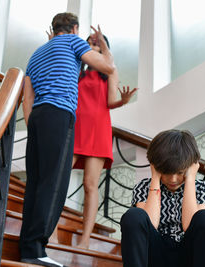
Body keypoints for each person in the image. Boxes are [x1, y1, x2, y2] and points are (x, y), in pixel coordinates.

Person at [20, 12, 115, 267]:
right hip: (59, 115)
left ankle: (28, 247)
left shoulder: (36, 54)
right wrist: (104, 47)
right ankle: (36, 247)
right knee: (54, 183)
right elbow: (108, 67)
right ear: (74, 29)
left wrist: (33, 126)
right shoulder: (73, 42)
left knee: (36, 182)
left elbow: (26, 98)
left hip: (38, 118)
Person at [71, 34, 137, 249]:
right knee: (58, 180)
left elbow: (111, 102)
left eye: (96, 42)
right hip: (75, 130)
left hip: (98, 131)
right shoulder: (75, 69)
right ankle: (51, 231)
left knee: (90, 185)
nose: (92, 44)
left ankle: (85, 240)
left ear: (104, 48)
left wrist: (124, 100)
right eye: (89, 42)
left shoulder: (109, 71)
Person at [120, 129, 205, 267]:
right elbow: (151, 224)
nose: (173, 179)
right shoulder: (143, 188)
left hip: (189, 257)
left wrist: (190, 179)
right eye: (166, 172)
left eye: (179, 172)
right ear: (156, 166)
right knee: (134, 216)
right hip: (155, 256)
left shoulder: (202, 189)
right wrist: (155, 178)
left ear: (190, 166)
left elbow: (189, 225)